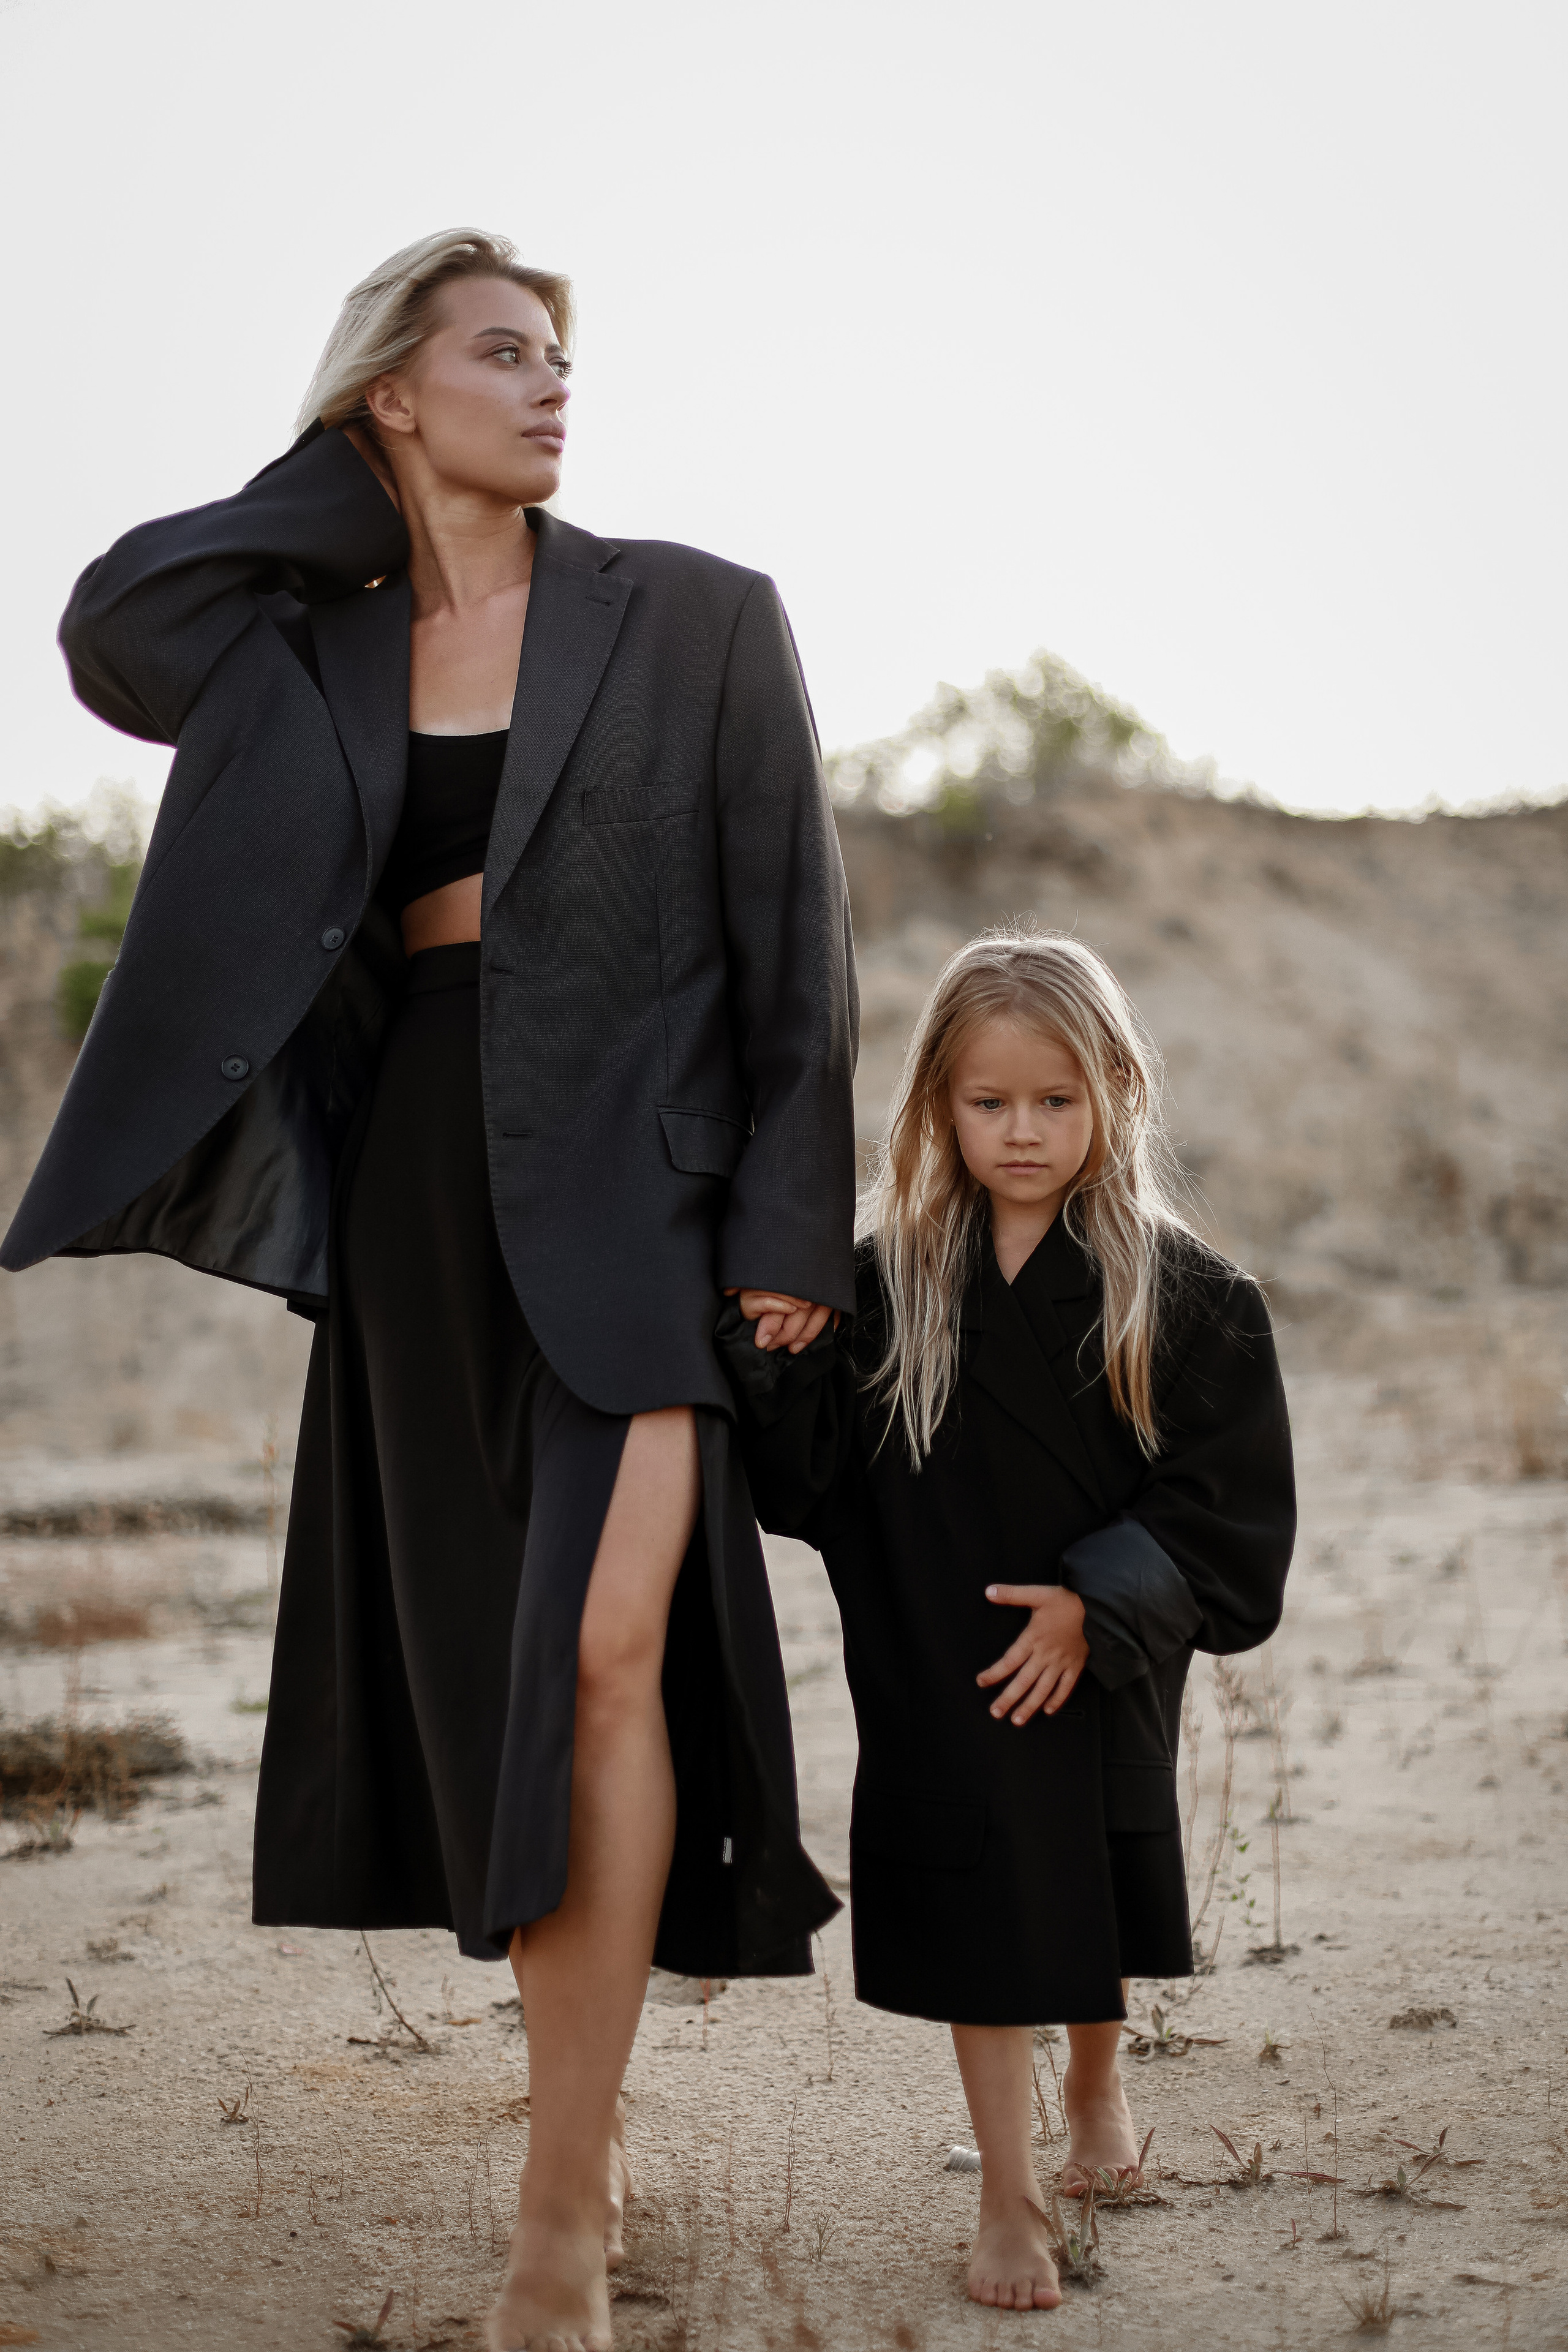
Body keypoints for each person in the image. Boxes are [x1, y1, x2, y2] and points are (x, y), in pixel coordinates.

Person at [4, 228, 859, 2352]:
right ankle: (582, 2117)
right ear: (392, 386)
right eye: (501, 352)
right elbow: (120, 624)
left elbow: (800, 950)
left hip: (645, 1200)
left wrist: (785, 1229)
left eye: (563, 356)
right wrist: (346, 495)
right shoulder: (309, 645)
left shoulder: (699, 614)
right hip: (418, 1200)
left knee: (607, 1659)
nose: (555, 384)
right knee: (509, 1698)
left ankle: (560, 2212)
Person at [722, 925, 1295, 2314]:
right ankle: (1007, 2192)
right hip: (941, 1654)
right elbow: (805, 1488)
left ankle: (1095, 2086)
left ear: (1116, 1093)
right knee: (985, 1899)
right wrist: (779, 1352)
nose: (1022, 1131)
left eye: (1055, 1099)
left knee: (1086, 1871)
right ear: (938, 1104)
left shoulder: (1191, 1298)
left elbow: (1227, 1508)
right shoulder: (885, 1285)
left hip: (1100, 1659)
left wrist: (1101, 1602)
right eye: (989, 1102)